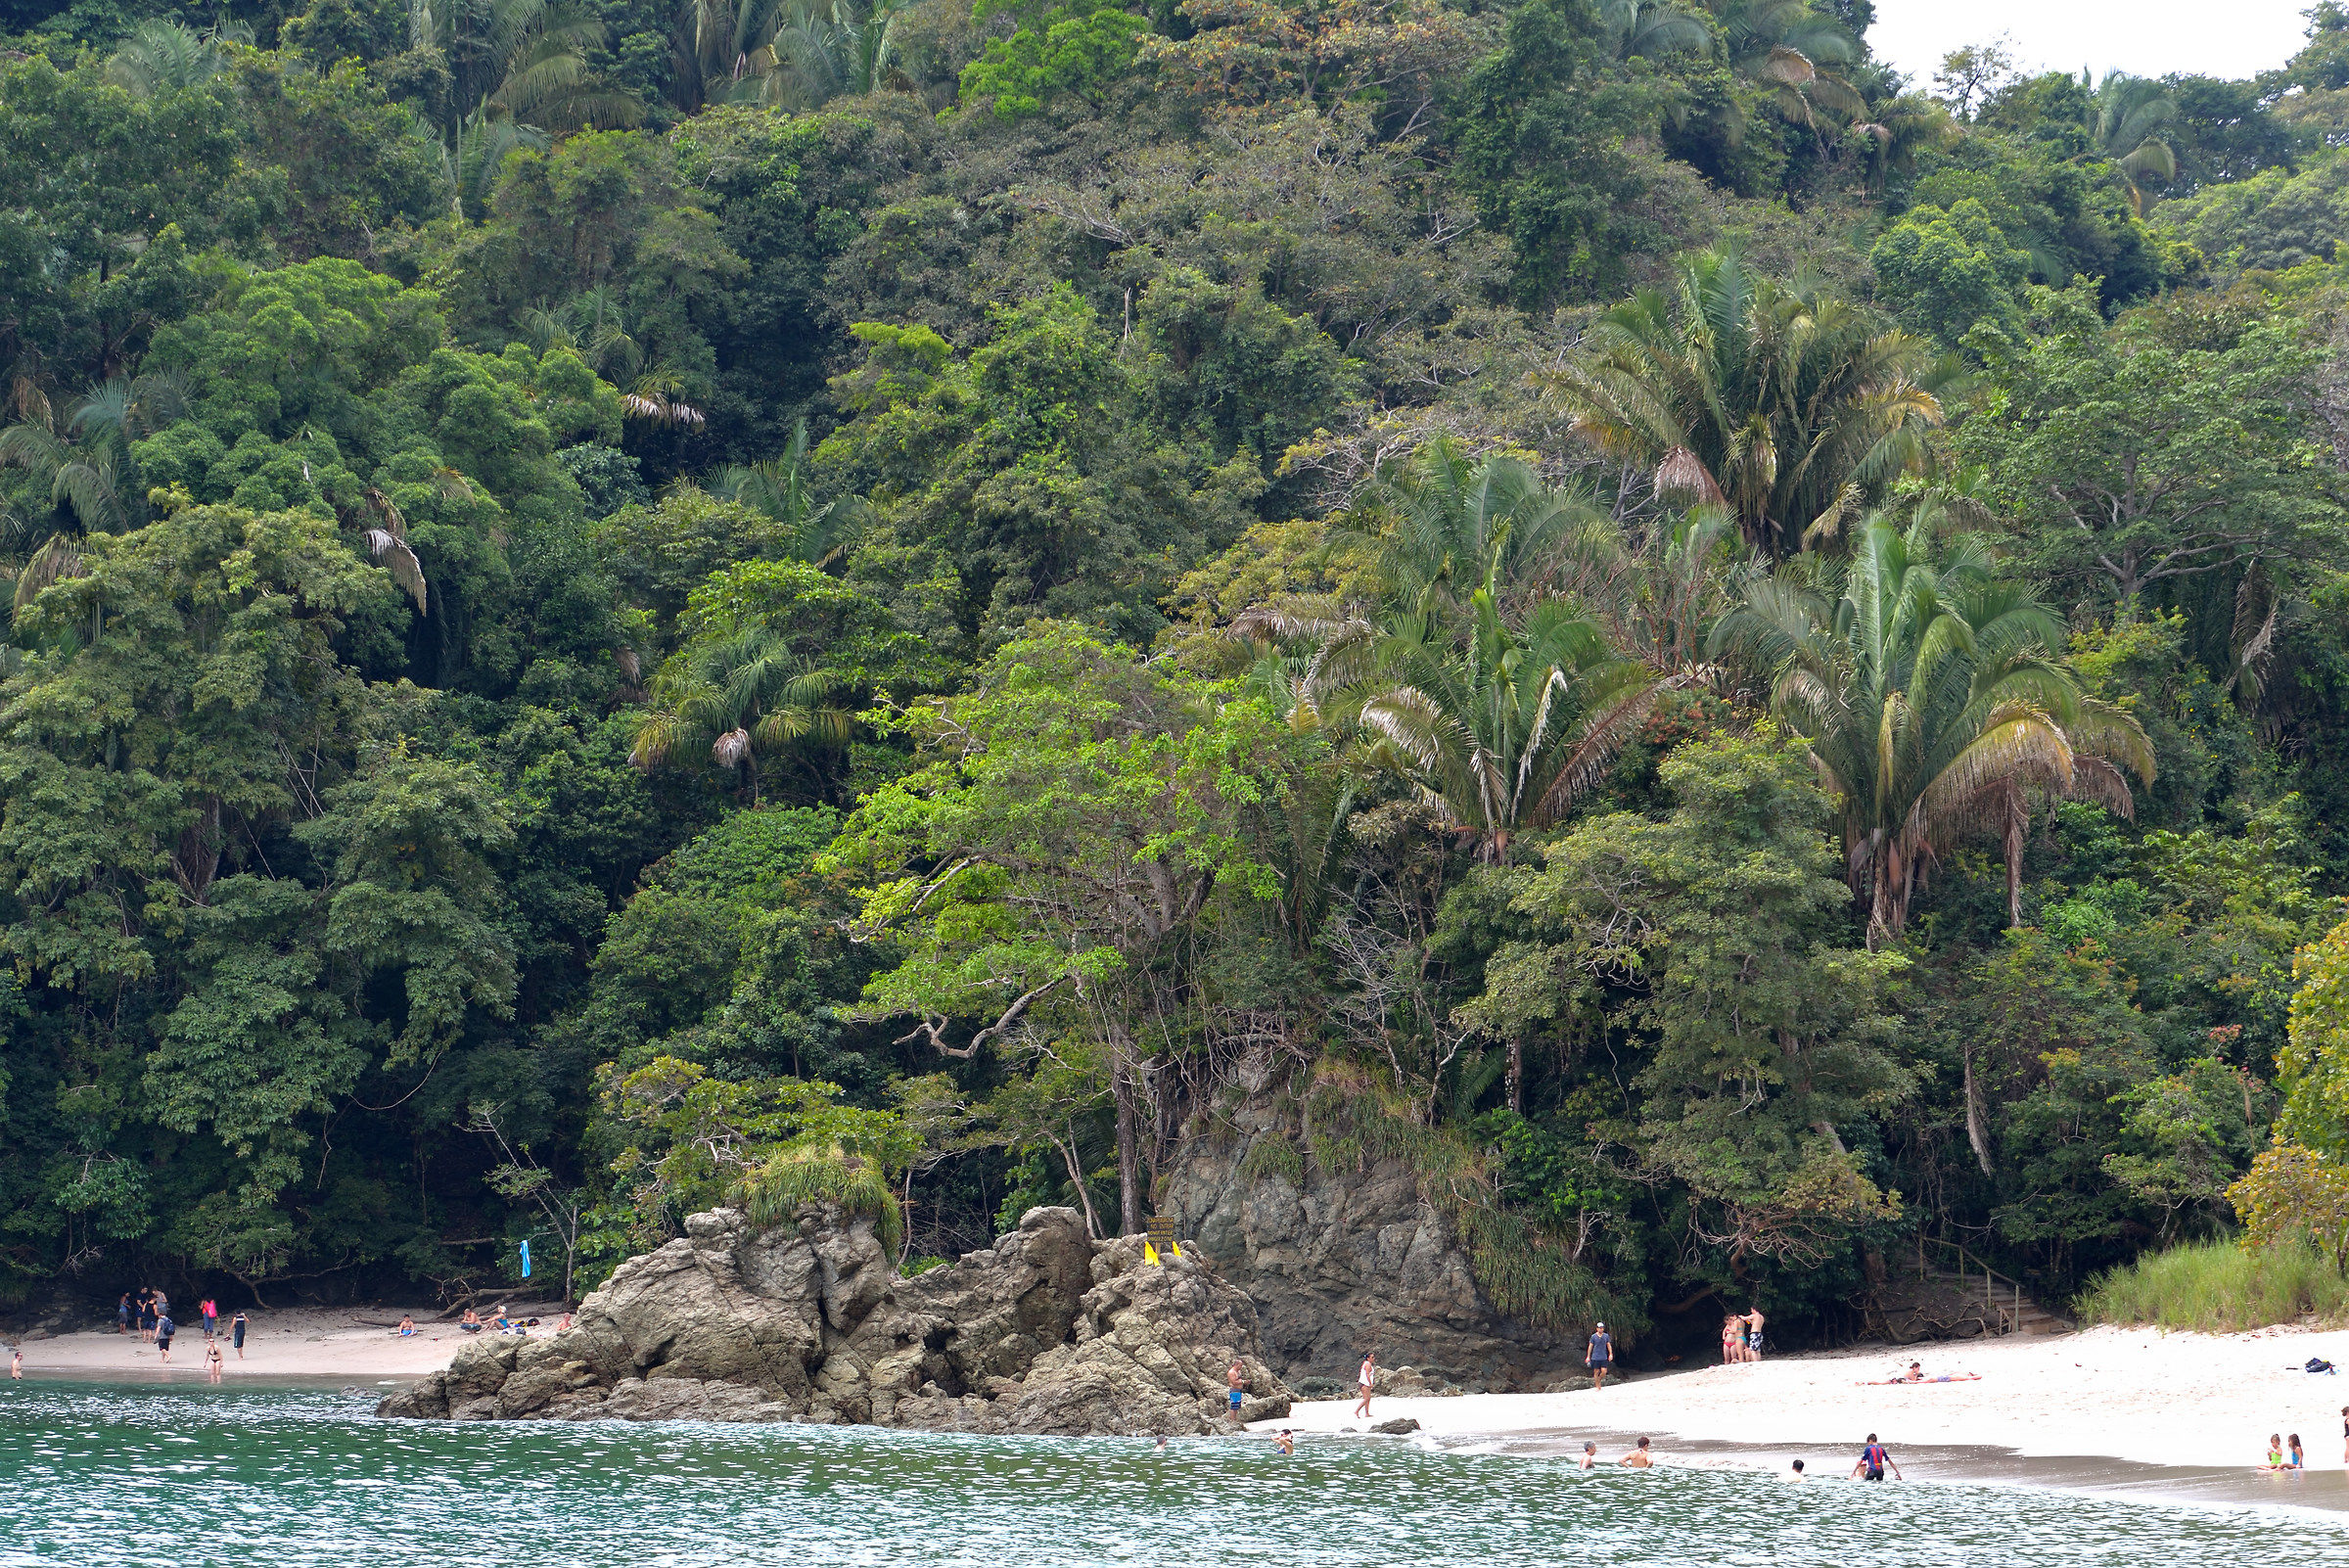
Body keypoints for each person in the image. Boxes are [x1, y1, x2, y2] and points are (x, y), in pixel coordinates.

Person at [1587, 1320, 1614, 1389]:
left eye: (1602, 1328)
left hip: (1603, 1356)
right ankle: (1597, 1386)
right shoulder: (1593, 1336)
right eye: (1600, 1328)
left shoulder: (1606, 1336)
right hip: (1595, 1357)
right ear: (1597, 1328)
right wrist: (1588, 1357)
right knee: (1596, 1371)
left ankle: (1598, 1380)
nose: (1601, 1329)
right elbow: (1590, 1347)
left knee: (1604, 1371)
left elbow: (1608, 1345)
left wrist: (1610, 1354)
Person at [1353, 1352, 1376, 1419]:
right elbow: (1367, 1374)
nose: (1373, 1358)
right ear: (1368, 1358)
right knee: (1366, 1398)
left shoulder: (1366, 1363)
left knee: (1368, 1398)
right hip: (1364, 1383)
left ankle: (1367, 1413)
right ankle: (1357, 1411)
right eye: (1372, 1357)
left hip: (1364, 1383)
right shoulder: (1368, 1364)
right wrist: (1370, 1383)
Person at [1226, 1358, 1247, 1423]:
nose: (1241, 1367)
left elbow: (1239, 1379)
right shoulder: (1231, 1372)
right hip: (1234, 1391)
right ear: (1236, 1364)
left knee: (1237, 1406)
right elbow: (1234, 1382)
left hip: (1238, 1391)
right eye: (1240, 1365)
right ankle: (1232, 1421)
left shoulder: (1238, 1371)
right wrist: (1243, 1382)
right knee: (1234, 1406)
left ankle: (1235, 1420)